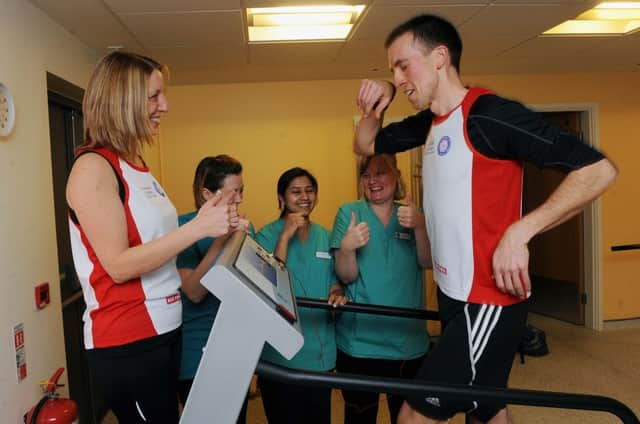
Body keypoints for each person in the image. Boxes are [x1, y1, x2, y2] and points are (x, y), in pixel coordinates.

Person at [352, 14, 618, 424]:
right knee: (486, 407)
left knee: (412, 415)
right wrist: (379, 99)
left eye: (404, 65)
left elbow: (597, 170)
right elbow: (365, 143)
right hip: (451, 292)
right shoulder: (431, 123)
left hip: (487, 298)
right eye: (392, 70)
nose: (399, 77)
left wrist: (521, 231)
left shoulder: (490, 115)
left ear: (440, 56)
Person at [66, 51, 237, 423]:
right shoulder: (93, 168)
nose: (165, 106)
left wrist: (209, 223)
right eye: (154, 97)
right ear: (123, 102)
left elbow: (157, 246)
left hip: (165, 327)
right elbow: (118, 265)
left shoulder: (137, 164)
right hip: (128, 338)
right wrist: (197, 228)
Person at [330, 154, 431, 424]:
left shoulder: (411, 214)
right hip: (360, 342)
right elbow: (346, 276)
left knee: (407, 417)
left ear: (396, 175)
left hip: (407, 342)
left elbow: (427, 262)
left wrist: (420, 226)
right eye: (366, 175)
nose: (373, 181)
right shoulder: (349, 213)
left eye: (380, 173)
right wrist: (347, 248)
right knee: (359, 416)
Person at [255, 167, 348, 424]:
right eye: (295, 192)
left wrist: (337, 294)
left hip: (319, 353)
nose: (304, 196)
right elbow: (269, 285)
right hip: (279, 355)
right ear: (282, 198)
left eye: (309, 191)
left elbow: (334, 283)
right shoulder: (266, 234)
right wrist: (285, 236)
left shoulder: (326, 236)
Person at [175, 155, 252, 421]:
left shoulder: (241, 226)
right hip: (198, 353)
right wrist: (223, 240)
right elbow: (193, 292)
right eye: (234, 193)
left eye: (242, 191)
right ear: (207, 194)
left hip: (233, 347)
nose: (240, 199)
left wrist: (244, 242)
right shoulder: (183, 227)